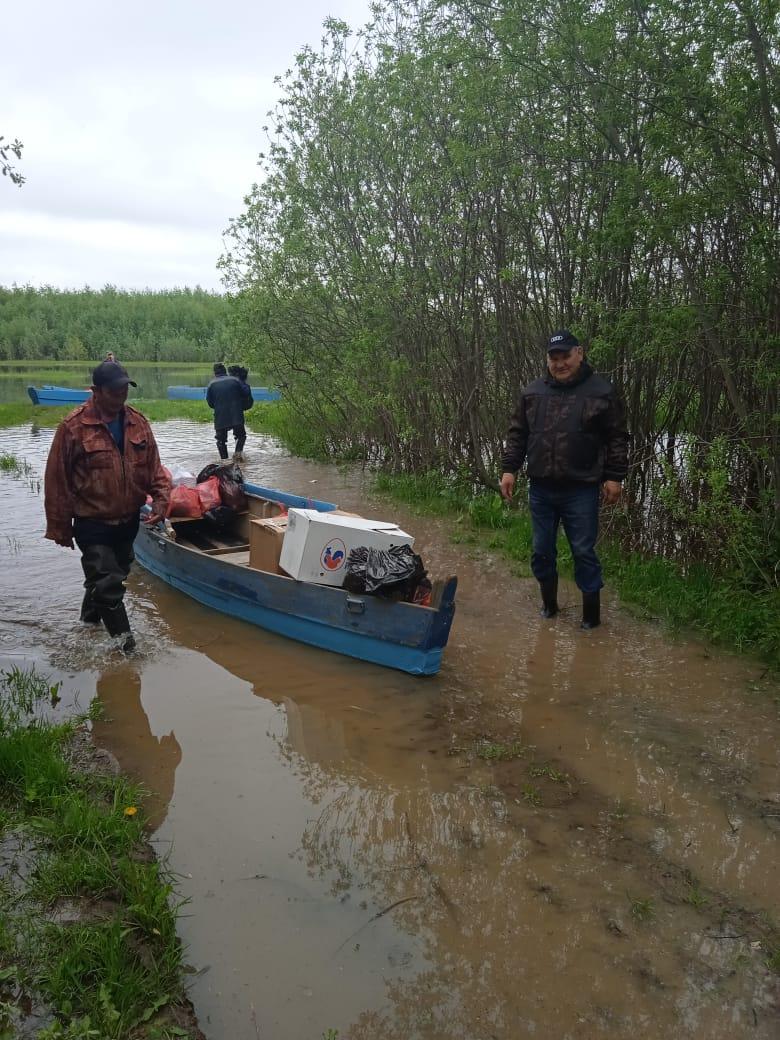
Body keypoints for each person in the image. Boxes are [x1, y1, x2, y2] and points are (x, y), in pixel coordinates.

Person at [500, 329, 629, 629]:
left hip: (581, 488)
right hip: (541, 488)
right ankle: (549, 607)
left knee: (583, 551)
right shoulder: (532, 393)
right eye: (553, 358)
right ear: (547, 360)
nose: (559, 364)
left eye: (565, 356)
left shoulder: (601, 391)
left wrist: (615, 477)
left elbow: (617, 437)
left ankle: (591, 620)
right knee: (541, 551)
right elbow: (518, 433)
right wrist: (509, 469)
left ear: (579, 353)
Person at [44, 360, 170, 652]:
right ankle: (129, 652)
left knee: (113, 578)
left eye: (125, 390)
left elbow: (155, 469)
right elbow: (56, 480)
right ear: (96, 391)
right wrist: (60, 527)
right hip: (92, 523)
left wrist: (162, 500)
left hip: (128, 522)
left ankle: (88, 623)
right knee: (109, 586)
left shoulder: (138, 422)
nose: (121, 396)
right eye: (114, 391)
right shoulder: (74, 427)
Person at [206, 362, 252, 462]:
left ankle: (224, 461)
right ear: (225, 371)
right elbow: (246, 392)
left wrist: (219, 407)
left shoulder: (211, 384)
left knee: (220, 440)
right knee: (241, 436)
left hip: (220, 417)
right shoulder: (235, 380)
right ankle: (238, 454)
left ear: (215, 373)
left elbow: (210, 403)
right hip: (236, 415)